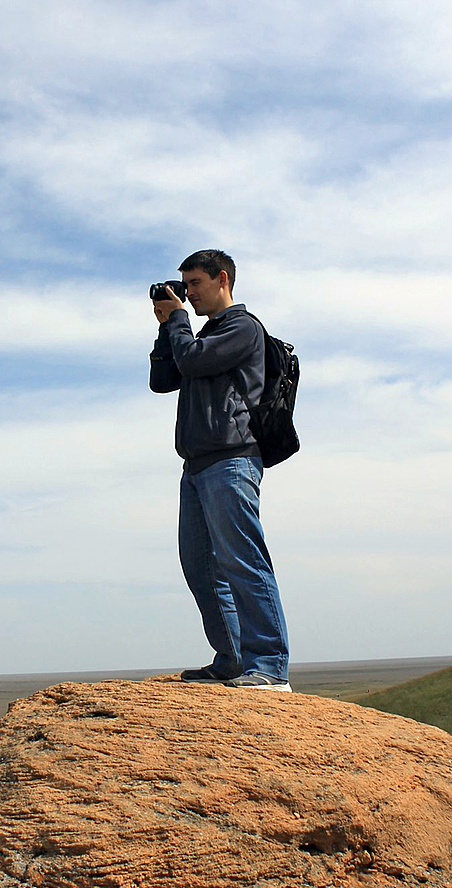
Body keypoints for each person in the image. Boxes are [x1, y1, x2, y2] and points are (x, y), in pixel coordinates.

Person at [149, 249, 291, 691]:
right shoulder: (201, 334)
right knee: (200, 567)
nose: (187, 294)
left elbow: (191, 360)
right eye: (184, 286)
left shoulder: (241, 328)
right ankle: (233, 659)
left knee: (243, 561)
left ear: (222, 280)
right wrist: (164, 329)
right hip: (196, 464)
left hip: (232, 460)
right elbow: (162, 379)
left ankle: (268, 665)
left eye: (194, 284)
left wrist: (178, 324)